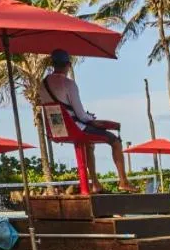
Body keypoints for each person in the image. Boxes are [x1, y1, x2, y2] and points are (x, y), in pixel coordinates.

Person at [39, 49, 136, 193]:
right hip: (74, 128)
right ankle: (123, 181)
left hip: (55, 129)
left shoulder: (43, 84)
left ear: (52, 64)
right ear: (69, 65)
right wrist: (91, 119)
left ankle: (95, 184)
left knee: (89, 145)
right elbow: (81, 115)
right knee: (115, 141)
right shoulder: (68, 84)